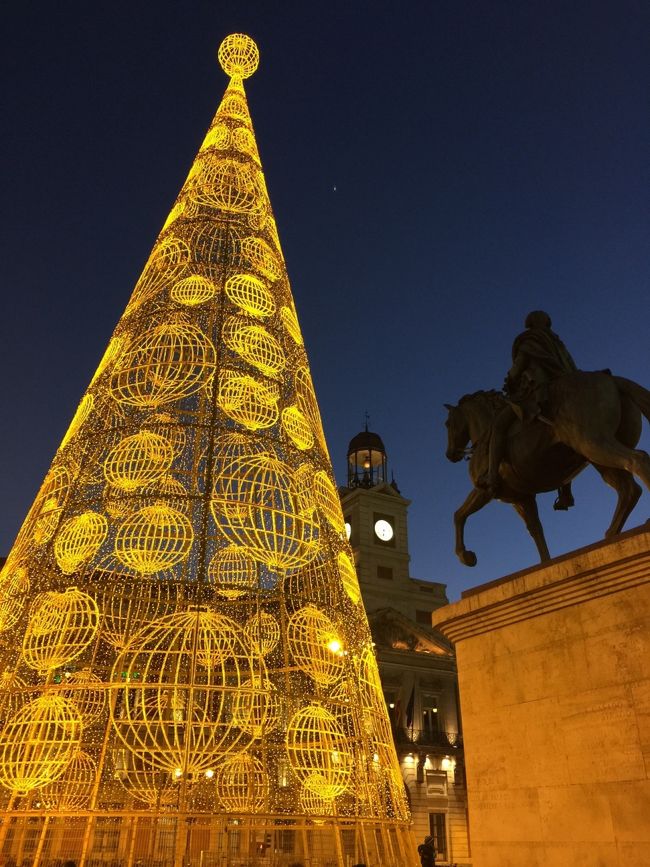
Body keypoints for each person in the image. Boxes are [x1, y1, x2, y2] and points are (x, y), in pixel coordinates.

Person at [479, 311, 577, 508]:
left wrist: (511, 378)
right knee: (575, 437)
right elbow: (570, 365)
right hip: (564, 386)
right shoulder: (556, 342)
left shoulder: (529, 339)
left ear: (530, 323)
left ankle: (491, 476)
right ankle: (565, 491)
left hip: (537, 389)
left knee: (498, 426)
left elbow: (519, 365)